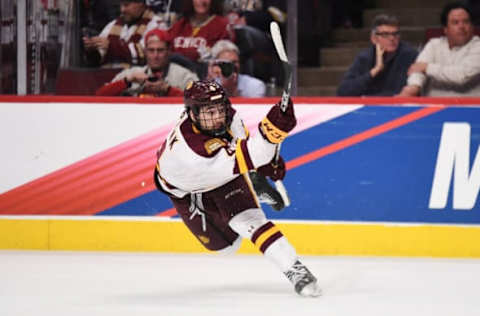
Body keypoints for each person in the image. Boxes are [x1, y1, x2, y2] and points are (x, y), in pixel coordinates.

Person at [153, 80, 321, 297]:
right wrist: (274, 130)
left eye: (219, 109)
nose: (217, 117)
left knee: (248, 221)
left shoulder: (229, 116)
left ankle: (296, 270)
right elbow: (252, 153)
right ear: (192, 114)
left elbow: (246, 145)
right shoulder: (192, 152)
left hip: (224, 174)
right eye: (208, 112)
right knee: (226, 248)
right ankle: (252, 183)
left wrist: (266, 164)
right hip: (188, 189)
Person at [398, 2, 480, 96]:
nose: (461, 27)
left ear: (472, 27)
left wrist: (427, 67)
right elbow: (417, 69)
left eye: (466, 22)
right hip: (433, 107)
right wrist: (413, 86)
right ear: (445, 29)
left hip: (470, 108)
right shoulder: (434, 44)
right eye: (455, 22)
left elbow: (462, 75)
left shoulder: (478, 46)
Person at [96, 29, 198, 97]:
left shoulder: (183, 75)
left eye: (160, 50)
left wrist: (168, 90)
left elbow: (200, 103)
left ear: (169, 52)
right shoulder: (132, 74)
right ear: (145, 52)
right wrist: (127, 82)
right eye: (151, 50)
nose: (155, 56)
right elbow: (99, 96)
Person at [337, 14, 418, 96]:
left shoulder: (409, 55)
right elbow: (343, 92)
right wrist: (375, 70)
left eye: (395, 34)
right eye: (385, 34)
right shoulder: (365, 57)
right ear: (374, 38)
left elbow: (402, 91)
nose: (392, 38)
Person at [82, 0, 167, 68]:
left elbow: (146, 54)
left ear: (140, 3)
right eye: (121, 5)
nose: (122, 10)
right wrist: (92, 49)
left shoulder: (157, 24)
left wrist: (112, 47)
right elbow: (100, 55)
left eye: (126, 5)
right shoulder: (113, 24)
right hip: (107, 77)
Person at [168, 0, 235, 77]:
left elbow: (226, 60)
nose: (202, 1)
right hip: (173, 75)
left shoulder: (222, 26)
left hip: (202, 77)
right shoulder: (180, 24)